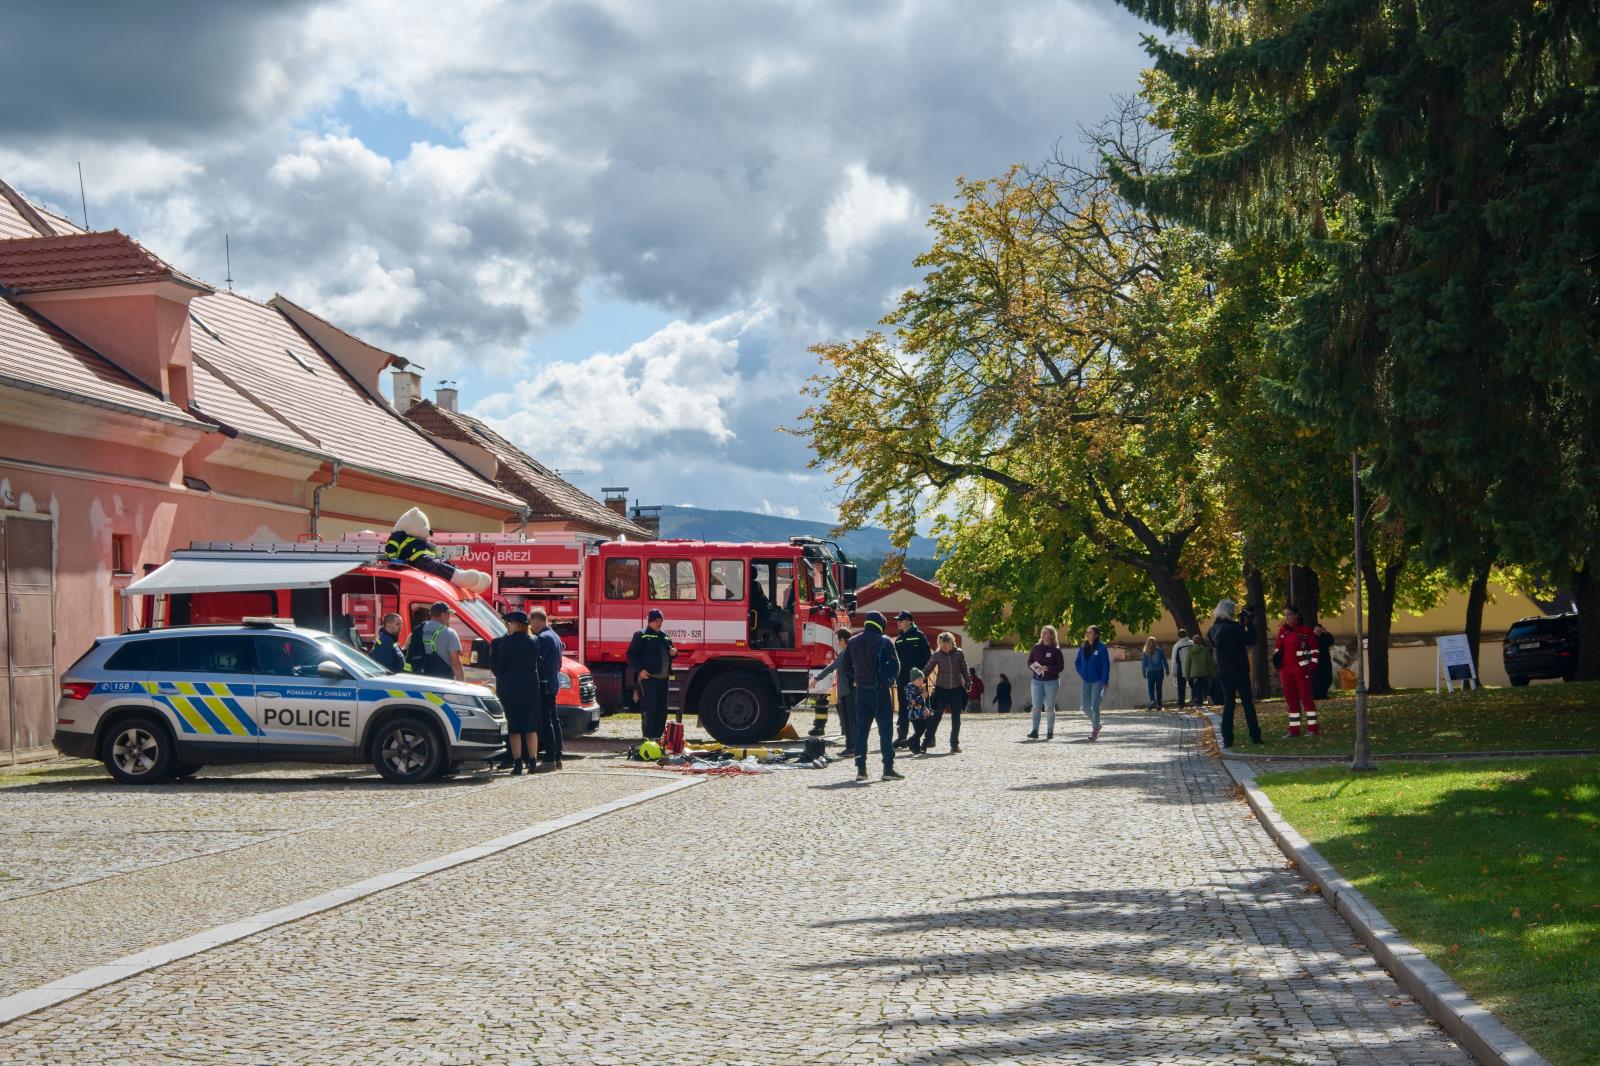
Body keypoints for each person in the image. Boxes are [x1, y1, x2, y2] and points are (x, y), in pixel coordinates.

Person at [841, 611, 903, 782]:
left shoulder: (852, 641)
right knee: (885, 730)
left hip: (861, 691)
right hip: (880, 691)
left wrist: (856, 678)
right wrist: (888, 680)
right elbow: (896, 666)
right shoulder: (885, 641)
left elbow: (845, 667)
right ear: (881, 624)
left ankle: (861, 770)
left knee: (861, 731)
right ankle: (888, 769)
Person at [489, 611, 543, 774]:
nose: (509, 626)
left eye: (511, 623)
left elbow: (499, 665)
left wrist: (504, 678)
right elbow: (538, 662)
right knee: (531, 727)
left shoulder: (506, 642)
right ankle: (532, 761)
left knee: (514, 728)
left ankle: (517, 762)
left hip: (511, 687)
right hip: (531, 687)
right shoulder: (534, 640)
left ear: (517, 624)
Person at [1207, 599, 1262, 747]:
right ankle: (1255, 736)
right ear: (1230, 612)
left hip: (1224, 672)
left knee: (1228, 705)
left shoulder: (1213, 630)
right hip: (1240, 670)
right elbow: (1251, 640)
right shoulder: (1236, 628)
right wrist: (1248, 624)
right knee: (1247, 704)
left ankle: (1227, 739)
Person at [627, 608, 676, 741]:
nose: (659, 623)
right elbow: (631, 655)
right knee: (650, 708)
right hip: (649, 679)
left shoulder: (665, 636)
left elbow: (672, 651)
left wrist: (674, 652)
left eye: (661, 621)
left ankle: (658, 738)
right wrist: (640, 670)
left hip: (664, 679)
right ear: (650, 621)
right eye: (657, 621)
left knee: (662, 710)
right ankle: (648, 738)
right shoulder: (641, 635)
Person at [1275, 604, 1321, 736]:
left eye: (1289, 614)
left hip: (1301, 670)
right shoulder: (1283, 632)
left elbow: (1314, 651)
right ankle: (1293, 730)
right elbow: (1278, 650)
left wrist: (1312, 666)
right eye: (1285, 615)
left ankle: (1313, 729)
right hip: (1286, 670)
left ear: (1296, 615)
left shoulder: (1306, 631)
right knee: (1291, 700)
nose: (1286, 617)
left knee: (1306, 698)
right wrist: (1277, 664)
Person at [528, 607, 564, 770]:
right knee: (554, 720)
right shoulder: (555, 636)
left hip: (545, 684)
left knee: (546, 721)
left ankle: (549, 758)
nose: (530, 626)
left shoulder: (542, 638)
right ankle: (557, 756)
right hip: (553, 682)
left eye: (531, 622)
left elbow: (537, 663)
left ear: (537, 620)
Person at [812, 627, 857, 757]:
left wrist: (816, 679)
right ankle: (851, 747)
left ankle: (852, 748)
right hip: (847, 690)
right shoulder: (848, 652)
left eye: (837, 640)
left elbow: (831, 667)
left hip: (848, 691)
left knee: (849, 721)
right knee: (849, 721)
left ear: (843, 640)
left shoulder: (846, 653)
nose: (837, 643)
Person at [924, 632, 970, 753]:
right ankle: (927, 740)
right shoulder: (937, 655)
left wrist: (968, 681)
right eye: (941, 644)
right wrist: (920, 679)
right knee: (936, 717)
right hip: (941, 689)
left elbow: (964, 668)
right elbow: (928, 667)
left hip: (956, 689)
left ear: (952, 643)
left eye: (946, 644)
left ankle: (954, 744)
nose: (943, 647)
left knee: (956, 719)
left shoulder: (959, 653)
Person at [892, 611, 931, 748]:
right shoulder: (899, 640)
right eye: (898, 620)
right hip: (903, 680)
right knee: (903, 708)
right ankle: (902, 737)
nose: (898, 622)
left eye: (901, 620)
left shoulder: (919, 636)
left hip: (918, 680)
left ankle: (928, 737)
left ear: (908, 621)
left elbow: (927, 657)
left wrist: (922, 677)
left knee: (921, 707)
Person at [1026, 625, 1065, 739]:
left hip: (1051, 682)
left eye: (1046, 633)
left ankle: (1049, 731)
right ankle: (1034, 730)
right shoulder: (1036, 647)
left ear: (1052, 635)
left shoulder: (1056, 650)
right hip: (1036, 681)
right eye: (1042, 632)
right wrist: (1036, 668)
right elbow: (1029, 662)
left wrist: (1048, 668)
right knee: (1036, 707)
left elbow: (1060, 667)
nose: (1043, 635)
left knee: (1049, 707)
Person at [408, 601, 463, 680]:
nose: (449, 616)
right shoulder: (450, 633)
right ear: (442, 614)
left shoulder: (418, 630)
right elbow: (456, 664)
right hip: (442, 680)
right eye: (448, 614)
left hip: (420, 679)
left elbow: (407, 650)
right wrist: (461, 684)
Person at [1075, 625, 1111, 740]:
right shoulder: (1082, 647)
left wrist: (1105, 681)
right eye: (1087, 632)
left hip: (1098, 680)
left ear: (1096, 635)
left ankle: (1095, 730)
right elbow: (1077, 662)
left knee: (1095, 705)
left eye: (1090, 633)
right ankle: (1097, 725)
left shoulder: (1101, 647)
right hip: (1086, 680)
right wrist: (1082, 673)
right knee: (1085, 706)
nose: (1087, 634)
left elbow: (1106, 665)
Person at [905, 669, 935, 753]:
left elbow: (923, 703)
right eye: (919, 680)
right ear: (913, 681)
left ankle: (915, 747)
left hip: (921, 713)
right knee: (919, 730)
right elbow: (913, 703)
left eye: (922, 679)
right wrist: (921, 696)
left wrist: (926, 708)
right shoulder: (910, 690)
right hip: (914, 714)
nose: (921, 682)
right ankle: (912, 742)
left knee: (921, 730)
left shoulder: (919, 689)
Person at [1184, 634, 1215, 708]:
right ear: (1201, 641)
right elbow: (1210, 662)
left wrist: (1187, 675)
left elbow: (1188, 664)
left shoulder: (1190, 651)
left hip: (1194, 673)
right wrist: (1214, 673)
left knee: (1197, 687)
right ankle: (1209, 698)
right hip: (1204, 671)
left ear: (1193, 642)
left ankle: (1198, 702)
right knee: (1205, 686)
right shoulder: (1205, 649)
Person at [1141, 637, 1169, 710]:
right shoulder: (1160, 651)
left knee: (1151, 688)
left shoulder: (1145, 652)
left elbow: (1143, 664)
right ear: (1155, 642)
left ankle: (1152, 701)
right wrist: (1167, 670)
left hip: (1150, 673)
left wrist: (1144, 673)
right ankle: (1159, 705)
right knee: (1159, 688)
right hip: (1160, 672)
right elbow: (1164, 661)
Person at [1312, 622, 1336, 699]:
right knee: (1316, 679)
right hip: (1315, 661)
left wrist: (1326, 632)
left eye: (1319, 631)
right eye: (1316, 631)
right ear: (1314, 630)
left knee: (1327, 678)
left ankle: (1323, 694)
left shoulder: (1324, 637)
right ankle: (1316, 695)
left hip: (1325, 661)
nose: (1318, 633)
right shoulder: (1311, 638)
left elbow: (1331, 641)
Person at [1171, 629, 1194, 707]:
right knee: (1193, 685)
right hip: (1192, 667)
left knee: (1181, 686)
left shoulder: (1177, 645)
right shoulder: (1192, 643)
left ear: (1178, 636)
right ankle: (1195, 700)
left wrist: (1173, 671)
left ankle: (1181, 703)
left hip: (1181, 668)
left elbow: (1174, 659)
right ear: (1186, 634)